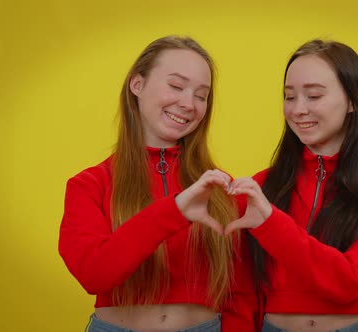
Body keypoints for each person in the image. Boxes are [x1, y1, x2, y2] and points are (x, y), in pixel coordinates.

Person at [58, 35, 257, 332]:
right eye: (176, 86)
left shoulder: (220, 188)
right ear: (136, 85)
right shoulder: (89, 185)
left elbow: (240, 292)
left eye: (201, 95)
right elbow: (93, 274)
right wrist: (174, 211)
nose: (188, 104)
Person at [224, 39, 358, 332]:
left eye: (313, 96)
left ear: (352, 101)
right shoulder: (258, 189)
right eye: (289, 97)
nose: (298, 110)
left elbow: (348, 283)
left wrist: (271, 224)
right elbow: (241, 292)